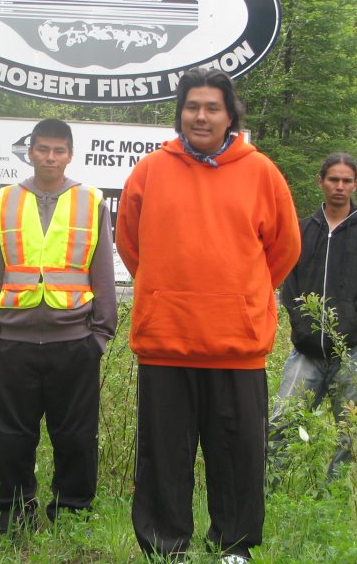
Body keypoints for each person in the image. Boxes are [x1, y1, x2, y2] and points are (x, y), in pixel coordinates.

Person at [115, 68, 301, 564]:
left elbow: (283, 250)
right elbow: (130, 244)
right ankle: (165, 547)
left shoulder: (261, 172)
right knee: (162, 458)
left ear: (229, 114)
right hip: (165, 343)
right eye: (192, 106)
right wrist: (164, 291)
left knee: (237, 457)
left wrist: (243, 299)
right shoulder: (150, 171)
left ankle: (234, 548)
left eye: (212, 107)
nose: (201, 116)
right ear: (180, 113)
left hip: (236, 349)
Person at [0, 118, 118, 536]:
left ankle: (72, 513)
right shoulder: (2, 202)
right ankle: (13, 514)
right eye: (42, 149)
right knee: (10, 435)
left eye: (58, 150)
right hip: (13, 342)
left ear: (69, 155)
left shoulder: (91, 202)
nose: (50, 157)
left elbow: (102, 271)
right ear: (30, 152)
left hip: (75, 341)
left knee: (75, 434)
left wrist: (101, 335)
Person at [269, 153, 357, 481]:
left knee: (355, 428)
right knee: (283, 421)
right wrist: (305, 327)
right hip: (307, 350)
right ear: (320, 182)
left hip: (355, 350)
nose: (339, 186)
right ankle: (269, 488)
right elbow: (288, 282)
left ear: (355, 185)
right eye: (333, 179)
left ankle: (336, 494)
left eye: (346, 181)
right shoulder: (303, 230)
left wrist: (346, 330)